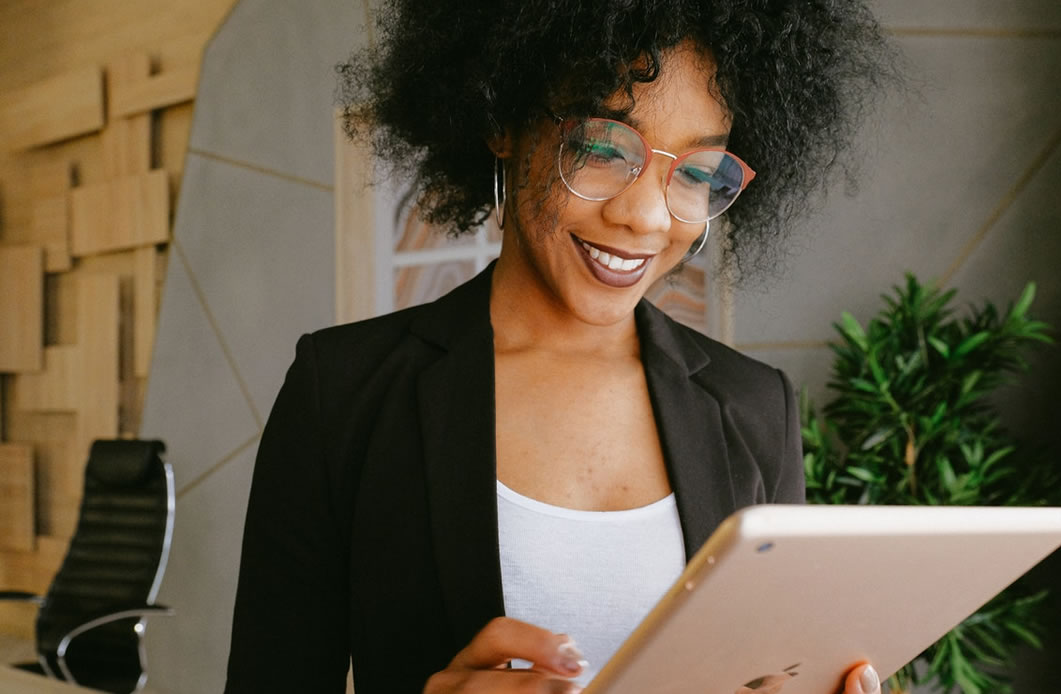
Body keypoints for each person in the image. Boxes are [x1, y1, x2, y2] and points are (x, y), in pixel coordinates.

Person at [225, 1, 891, 693]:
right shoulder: (343, 393)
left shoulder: (754, 406)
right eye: (603, 149)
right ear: (502, 121)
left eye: (697, 172)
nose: (646, 216)